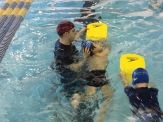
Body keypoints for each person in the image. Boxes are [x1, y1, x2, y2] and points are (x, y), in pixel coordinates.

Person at [53, 20, 90, 109]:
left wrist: (84, 29)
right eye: (73, 31)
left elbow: (74, 38)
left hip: (65, 64)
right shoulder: (63, 54)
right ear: (66, 34)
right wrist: (85, 57)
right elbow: (76, 68)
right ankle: (75, 112)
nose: (76, 32)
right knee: (76, 96)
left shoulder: (61, 41)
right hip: (68, 76)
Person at [81, 40, 113, 122]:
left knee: (89, 97)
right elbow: (108, 46)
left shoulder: (88, 56)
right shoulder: (103, 54)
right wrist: (103, 41)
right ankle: (100, 118)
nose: (99, 44)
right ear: (93, 50)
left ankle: (78, 98)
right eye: (96, 44)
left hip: (90, 76)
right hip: (100, 76)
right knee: (109, 97)